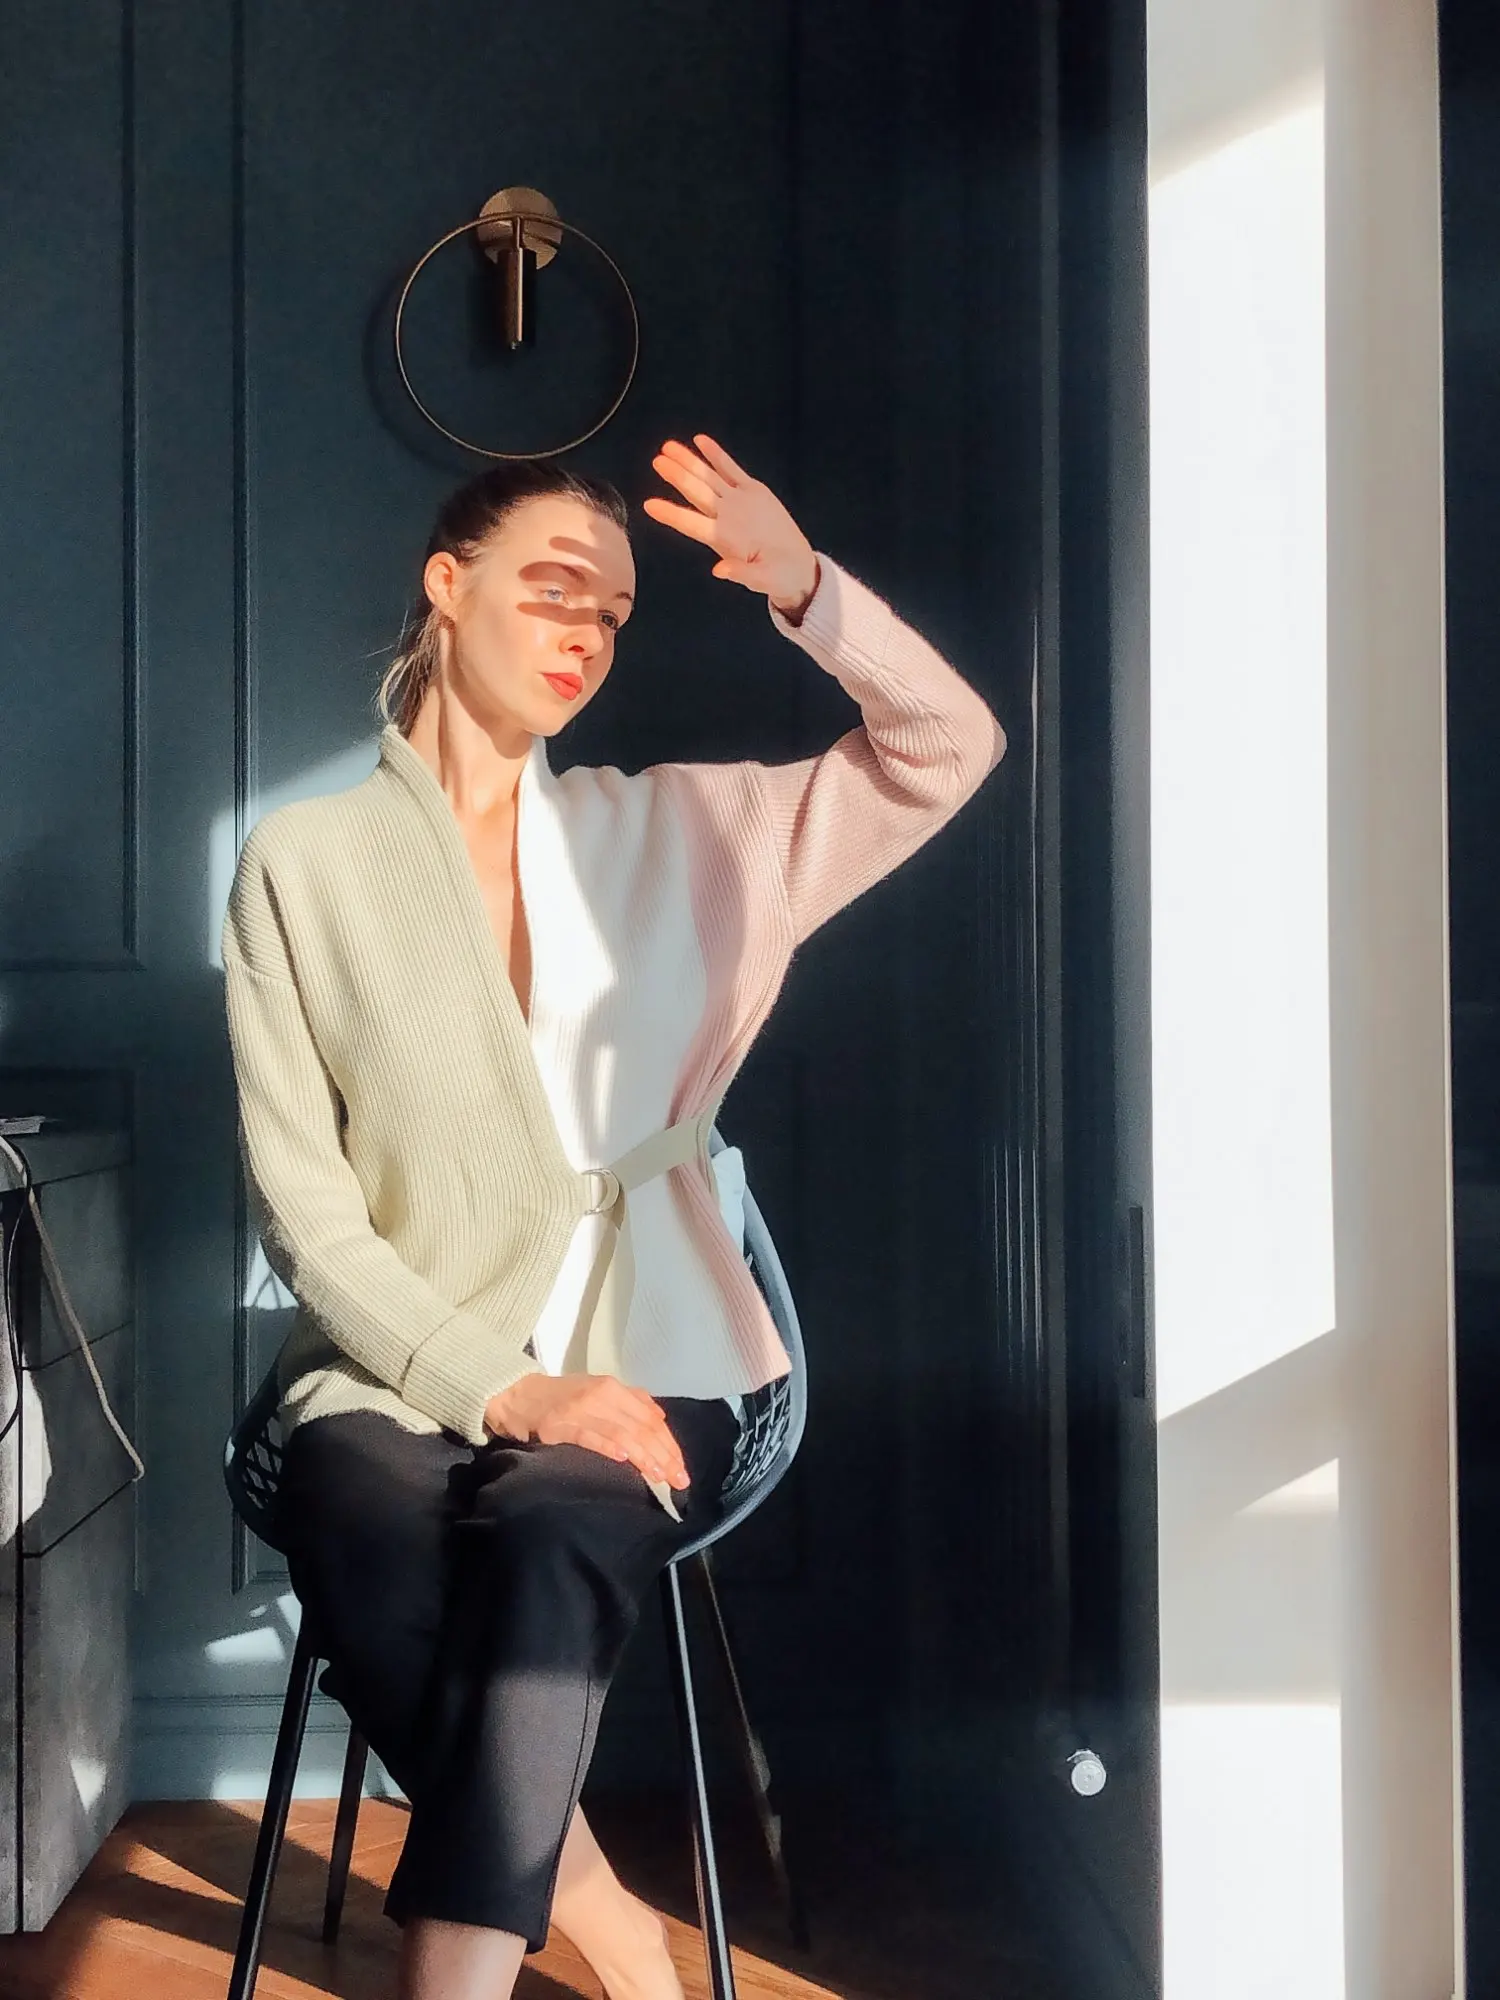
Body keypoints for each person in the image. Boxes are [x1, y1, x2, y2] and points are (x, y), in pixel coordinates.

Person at [220, 432, 1007, 2000]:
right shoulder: (306, 865)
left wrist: (806, 586)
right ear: (448, 588)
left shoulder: (689, 832)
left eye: (618, 613)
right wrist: (501, 1387)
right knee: (364, 1532)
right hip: (396, 1362)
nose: (587, 632)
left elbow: (945, 748)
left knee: (554, 1522)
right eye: (554, 589)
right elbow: (305, 1212)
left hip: (655, 1340)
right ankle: (605, 1917)